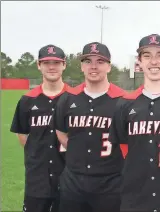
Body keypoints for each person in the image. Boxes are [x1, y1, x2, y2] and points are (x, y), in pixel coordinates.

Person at [108, 34, 160, 212]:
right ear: (139, 61)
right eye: (147, 55)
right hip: (135, 199)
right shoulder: (125, 103)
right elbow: (124, 148)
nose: (154, 61)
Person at [53, 42, 126, 212]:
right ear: (81, 66)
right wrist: (75, 150)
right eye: (88, 61)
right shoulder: (68, 98)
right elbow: (60, 131)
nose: (93, 66)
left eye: (100, 61)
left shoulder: (123, 101)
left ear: (109, 66)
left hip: (111, 184)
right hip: (73, 183)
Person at [11, 44, 70, 212]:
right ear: (39, 65)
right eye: (46, 62)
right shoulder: (27, 100)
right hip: (37, 179)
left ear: (64, 65)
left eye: (56, 62)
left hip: (69, 178)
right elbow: (23, 136)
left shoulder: (75, 99)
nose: (51, 67)